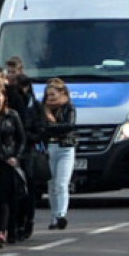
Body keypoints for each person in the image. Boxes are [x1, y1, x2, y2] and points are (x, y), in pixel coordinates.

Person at [0, 83, 26, 246]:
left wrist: (16, 157)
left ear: (4, 98)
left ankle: (5, 231)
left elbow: (21, 139)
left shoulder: (12, 115)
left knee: (6, 198)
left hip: (8, 162)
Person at [33, 78, 77, 230]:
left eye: (53, 95)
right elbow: (41, 128)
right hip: (49, 148)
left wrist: (52, 126)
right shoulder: (42, 109)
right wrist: (51, 127)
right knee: (51, 184)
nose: (50, 98)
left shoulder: (69, 107)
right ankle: (53, 217)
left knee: (61, 183)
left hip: (66, 148)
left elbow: (69, 126)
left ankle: (61, 215)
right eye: (48, 95)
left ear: (62, 94)